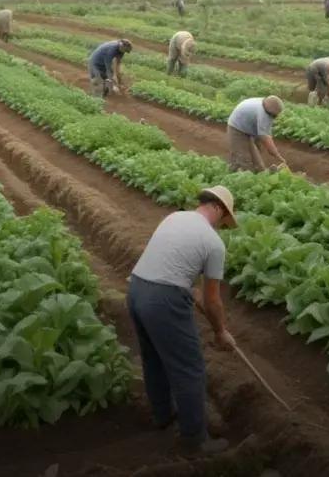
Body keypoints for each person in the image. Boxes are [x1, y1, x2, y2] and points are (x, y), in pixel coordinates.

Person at [127, 185, 238, 455]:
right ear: (219, 209)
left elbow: (172, 268)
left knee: (153, 358)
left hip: (136, 289)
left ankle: (163, 416)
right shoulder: (213, 243)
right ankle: (195, 440)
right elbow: (212, 300)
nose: (222, 227)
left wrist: (188, 291)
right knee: (190, 370)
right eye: (224, 222)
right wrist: (220, 331)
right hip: (164, 300)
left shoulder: (173, 217)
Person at [226, 96, 287, 172]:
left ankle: (258, 174)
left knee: (258, 164)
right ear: (270, 112)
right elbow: (265, 139)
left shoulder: (265, 106)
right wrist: (278, 156)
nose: (275, 117)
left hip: (247, 129)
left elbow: (267, 135)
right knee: (244, 160)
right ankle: (235, 174)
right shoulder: (263, 115)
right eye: (274, 115)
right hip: (236, 129)